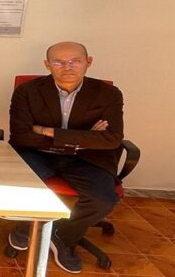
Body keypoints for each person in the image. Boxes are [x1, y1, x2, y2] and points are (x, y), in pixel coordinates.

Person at [8, 42, 124, 273]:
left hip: (87, 158)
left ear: (88, 62)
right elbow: (21, 135)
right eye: (59, 62)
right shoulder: (27, 91)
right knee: (18, 186)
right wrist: (85, 137)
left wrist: (46, 131)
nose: (67, 67)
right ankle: (25, 226)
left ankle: (63, 235)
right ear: (47, 64)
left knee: (102, 199)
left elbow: (111, 139)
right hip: (38, 153)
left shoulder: (108, 93)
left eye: (75, 61)